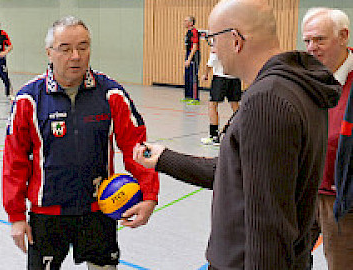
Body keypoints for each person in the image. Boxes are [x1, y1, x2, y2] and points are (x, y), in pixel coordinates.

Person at [133, 0, 341, 269]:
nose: (213, 49)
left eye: (212, 39)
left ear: (235, 39)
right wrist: (165, 159)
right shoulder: (297, 86)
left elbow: (268, 229)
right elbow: (238, 171)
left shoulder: (267, 100)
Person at [2, 16, 159, 270]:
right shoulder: (28, 99)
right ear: (49, 52)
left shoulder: (111, 94)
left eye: (83, 47)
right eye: (65, 48)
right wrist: (16, 216)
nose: (75, 56)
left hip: (100, 212)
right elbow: (14, 160)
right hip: (46, 217)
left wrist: (149, 194)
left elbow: (137, 147)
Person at [302, 7, 353, 270]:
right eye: (307, 41)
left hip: (342, 202)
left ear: (344, 36)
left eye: (319, 39)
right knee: (288, 258)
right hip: (305, 191)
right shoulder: (306, 78)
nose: (312, 47)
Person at [200, 51, 241, 145]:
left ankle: (214, 136)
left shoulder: (217, 40)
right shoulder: (235, 40)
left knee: (212, 105)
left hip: (220, 78)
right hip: (235, 77)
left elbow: (212, 60)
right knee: (235, 106)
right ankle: (241, 132)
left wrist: (206, 73)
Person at [182, 16, 201, 105]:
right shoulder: (188, 32)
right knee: (187, 76)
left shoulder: (194, 32)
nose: (184, 22)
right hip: (188, 54)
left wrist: (189, 59)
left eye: (186, 21)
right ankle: (188, 96)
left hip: (194, 55)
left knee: (193, 76)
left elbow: (195, 47)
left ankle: (195, 98)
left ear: (191, 23)